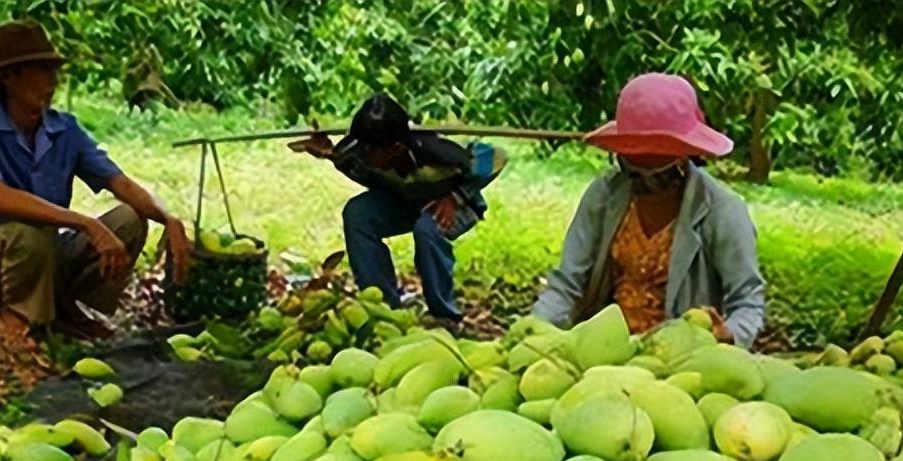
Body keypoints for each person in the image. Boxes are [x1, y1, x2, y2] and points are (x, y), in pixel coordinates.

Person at [0, 20, 190, 342]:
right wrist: (86, 223)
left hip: (50, 258)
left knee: (129, 219)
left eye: (53, 72)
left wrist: (168, 218)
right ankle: (16, 317)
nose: (51, 82)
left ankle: (63, 306)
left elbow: (120, 183)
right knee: (24, 234)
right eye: (41, 71)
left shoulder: (65, 129)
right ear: (8, 77)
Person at [533, 74, 765, 347]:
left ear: (684, 159)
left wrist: (730, 333)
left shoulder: (721, 210)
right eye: (633, 171)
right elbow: (566, 285)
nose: (643, 183)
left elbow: (748, 302)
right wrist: (536, 331)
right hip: (605, 351)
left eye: (657, 175)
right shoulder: (605, 196)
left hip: (679, 359)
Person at [291, 95, 507, 322]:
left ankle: (444, 315)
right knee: (358, 214)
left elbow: (497, 156)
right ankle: (381, 306)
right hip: (405, 200)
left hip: (450, 205)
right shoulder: (365, 151)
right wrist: (331, 153)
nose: (362, 153)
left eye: (368, 149)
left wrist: (455, 197)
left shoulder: (440, 151)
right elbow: (354, 163)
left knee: (427, 230)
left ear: (395, 148)